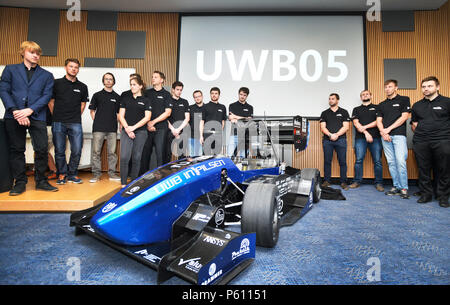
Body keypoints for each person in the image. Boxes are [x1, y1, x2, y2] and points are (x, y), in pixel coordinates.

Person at [0, 40, 58, 195]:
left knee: (42, 149)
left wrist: (30, 110)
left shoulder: (47, 75)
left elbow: (46, 96)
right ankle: (19, 183)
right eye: (32, 52)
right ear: (23, 52)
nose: (36, 55)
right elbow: (4, 91)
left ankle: (41, 181)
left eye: (38, 53)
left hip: (37, 115)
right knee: (17, 150)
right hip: (14, 115)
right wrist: (16, 111)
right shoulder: (10, 70)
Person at [49, 58, 89, 185]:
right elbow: (51, 101)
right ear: (66, 67)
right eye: (71, 66)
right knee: (59, 150)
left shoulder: (82, 86)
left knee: (76, 149)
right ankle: (62, 174)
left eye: (76, 67)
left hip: (75, 122)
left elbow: (83, 105)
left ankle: (72, 174)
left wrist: (75, 116)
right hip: (58, 122)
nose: (73, 69)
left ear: (78, 69)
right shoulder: (56, 83)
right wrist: (56, 115)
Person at [411, 76, 449, 208]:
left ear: (437, 87)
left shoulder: (447, 102)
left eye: (429, 86)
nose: (426, 89)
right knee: (423, 169)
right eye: (424, 86)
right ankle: (426, 194)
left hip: (443, 140)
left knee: (444, 169)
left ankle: (443, 196)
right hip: (421, 142)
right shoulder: (417, 105)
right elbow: (414, 123)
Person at [376, 79, 411, 199]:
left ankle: (404, 188)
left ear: (396, 88)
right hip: (385, 136)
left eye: (390, 87)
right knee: (391, 162)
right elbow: (379, 121)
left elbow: (404, 117)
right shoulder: (381, 104)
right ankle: (396, 186)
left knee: (400, 161)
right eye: (386, 87)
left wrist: (388, 129)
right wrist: (383, 132)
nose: (387, 89)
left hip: (399, 135)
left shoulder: (404, 99)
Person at [118, 77, 151, 187]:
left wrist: (133, 128)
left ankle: (133, 183)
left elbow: (147, 118)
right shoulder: (126, 99)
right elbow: (121, 116)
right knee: (124, 157)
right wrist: (127, 128)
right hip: (126, 131)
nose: (132, 86)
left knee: (137, 157)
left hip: (141, 132)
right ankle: (123, 184)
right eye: (131, 84)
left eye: (134, 84)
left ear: (140, 86)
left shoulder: (146, 100)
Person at [88, 72, 121, 183]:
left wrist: (117, 124)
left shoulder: (117, 97)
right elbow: (92, 111)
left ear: (113, 81)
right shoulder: (97, 95)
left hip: (112, 129)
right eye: (106, 79)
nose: (108, 81)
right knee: (96, 152)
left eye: (110, 79)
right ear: (103, 81)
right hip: (98, 128)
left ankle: (112, 173)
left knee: (112, 153)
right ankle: (96, 175)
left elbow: (118, 114)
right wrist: (97, 121)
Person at [349, 90, 384, 192]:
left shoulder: (377, 108)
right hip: (360, 139)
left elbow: (378, 122)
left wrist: (364, 127)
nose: (365, 96)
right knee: (359, 160)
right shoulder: (356, 109)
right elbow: (356, 123)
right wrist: (366, 133)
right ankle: (357, 181)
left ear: (371, 96)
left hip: (376, 138)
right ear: (361, 97)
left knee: (377, 161)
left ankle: (379, 183)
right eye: (363, 95)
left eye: (367, 94)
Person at [140, 71, 172, 174]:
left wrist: (153, 122)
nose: (153, 78)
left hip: (161, 128)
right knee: (145, 153)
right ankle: (142, 177)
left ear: (162, 80)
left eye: (156, 77)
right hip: (147, 128)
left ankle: (160, 177)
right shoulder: (147, 93)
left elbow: (167, 113)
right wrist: (148, 123)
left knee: (160, 154)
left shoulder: (166, 94)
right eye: (152, 77)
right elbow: (142, 110)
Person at [319, 93, 350, 190]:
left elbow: (346, 127)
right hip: (327, 141)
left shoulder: (344, 112)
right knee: (327, 161)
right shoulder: (324, 113)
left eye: (333, 99)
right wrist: (330, 135)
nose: (330, 100)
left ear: (337, 100)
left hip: (341, 140)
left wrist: (336, 135)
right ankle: (327, 181)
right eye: (329, 99)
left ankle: (343, 182)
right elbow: (322, 127)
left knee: (342, 161)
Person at [227, 87, 253, 158]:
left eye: (244, 95)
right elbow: (231, 118)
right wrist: (244, 118)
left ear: (247, 96)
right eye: (241, 94)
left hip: (245, 136)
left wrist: (236, 117)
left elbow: (249, 120)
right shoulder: (232, 105)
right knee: (230, 156)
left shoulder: (250, 107)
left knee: (243, 158)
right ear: (238, 94)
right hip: (234, 134)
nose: (242, 96)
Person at [200, 87, 227, 155]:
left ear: (219, 95)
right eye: (212, 93)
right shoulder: (205, 106)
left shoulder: (222, 107)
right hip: (207, 134)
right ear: (210, 95)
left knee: (217, 156)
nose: (214, 95)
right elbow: (202, 122)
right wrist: (201, 136)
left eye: (216, 93)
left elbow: (223, 121)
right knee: (206, 156)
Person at [167, 81, 190, 160]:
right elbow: (165, 117)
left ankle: (181, 171)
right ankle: (166, 172)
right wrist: (173, 130)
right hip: (169, 130)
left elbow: (187, 118)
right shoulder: (167, 100)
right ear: (173, 89)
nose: (179, 92)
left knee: (182, 155)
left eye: (181, 90)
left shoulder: (184, 102)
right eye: (177, 89)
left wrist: (178, 130)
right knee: (167, 154)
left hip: (181, 131)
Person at [188, 90, 205, 157]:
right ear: (194, 98)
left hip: (204, 137)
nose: (197, 98)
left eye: (199, 96)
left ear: (202, 96)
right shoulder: (190, 108)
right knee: (192, 157)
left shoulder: (206, 107)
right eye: (195, 97)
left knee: (202, 158)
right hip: (192, 136)